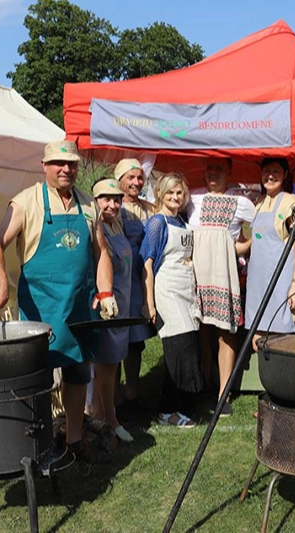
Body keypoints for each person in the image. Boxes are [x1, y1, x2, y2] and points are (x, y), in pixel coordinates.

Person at [0, 140, 117, 462]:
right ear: (44, 166)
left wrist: (106, 291)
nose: (65, 169)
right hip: (40, 309)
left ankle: (73, 440)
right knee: (38, 380)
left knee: (77, 375)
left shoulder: (88, 205)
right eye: (58, 163)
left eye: (71, 163)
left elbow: (101, 253)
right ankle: (37, 445)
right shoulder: (26, 202)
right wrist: (0, 280)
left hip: (79, 307)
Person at [186, 157, 255, 415]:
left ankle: (223, 392)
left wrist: (243, 247)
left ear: (229, 171)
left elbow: (260, 229)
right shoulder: (191, 198)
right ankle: (204, 380)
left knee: (225, 331)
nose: (213, 172)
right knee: (201, 328)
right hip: (195, 273)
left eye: (219, 168)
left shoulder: (242, 201)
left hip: (224, 274)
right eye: (209, 168)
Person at [141, 173, 203, 428]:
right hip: (166, 291)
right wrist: (150, 303)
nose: (175, 197)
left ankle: (184, 402)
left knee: (188, 345)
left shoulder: (182, 221)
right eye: (170, 193)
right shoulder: (157, 223)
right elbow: (147, 262)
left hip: (186, 290)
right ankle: (167, 410)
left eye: (179, 193)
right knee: (177, 348)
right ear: (160, 195)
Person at [86, 177, 134, 442]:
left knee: (113, 364)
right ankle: (109, 420)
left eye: (117, 199)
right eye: (106, 199)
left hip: (123, 305)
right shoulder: (95, 228)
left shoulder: (117, 224)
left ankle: (100, 416)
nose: (113, 204)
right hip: (107, 308)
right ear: (95, 201)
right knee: (105, 364)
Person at [245, 158, 295, 349]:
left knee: (280, 341)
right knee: (257, 340)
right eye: (266, 171)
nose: (270, 176)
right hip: (257, 283)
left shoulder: (290, 202)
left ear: (285, 175)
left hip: (280, 282)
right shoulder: (259, 203)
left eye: (276, 172)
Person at [116, 158, 156, 409]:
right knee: (114, 339)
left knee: (135, 340)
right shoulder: (111, 206)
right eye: (130, 177)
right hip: (118, 277)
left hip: (139, 278)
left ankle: (131, 390)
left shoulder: (149, 209)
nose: (136, 182)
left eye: (139, 177)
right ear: (119, 179)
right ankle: (112, 394)